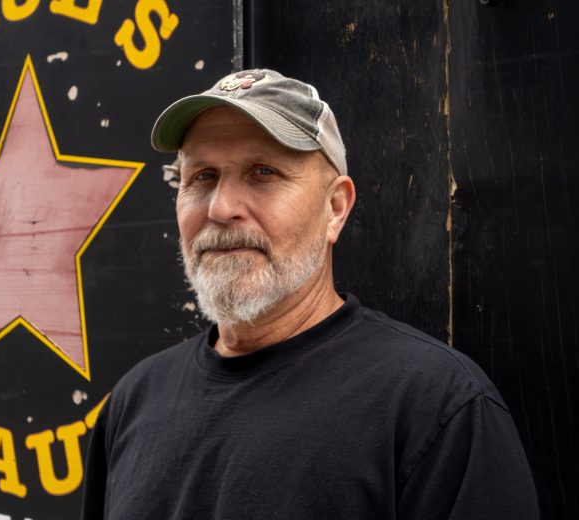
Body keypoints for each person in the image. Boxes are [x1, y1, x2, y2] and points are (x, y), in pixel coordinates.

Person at [81, 69, 539, 519]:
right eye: (202, 176)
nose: (221, 208)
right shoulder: (135, 402)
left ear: (335, 208)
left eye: (263, 172)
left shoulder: (436, 406)